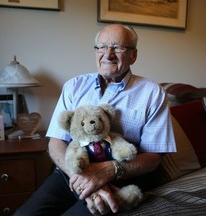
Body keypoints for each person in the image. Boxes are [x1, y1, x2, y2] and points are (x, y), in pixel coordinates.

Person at [14, 24, 176, 216]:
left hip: (122, 177)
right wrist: (83, 178)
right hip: (71, 172)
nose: (108, 54)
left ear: (133, 55)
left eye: (118, 47)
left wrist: (108, 171)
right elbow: (56, 141)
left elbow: (153, 158)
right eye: (101, 47)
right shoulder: (73, 86)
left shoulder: (152, 92)